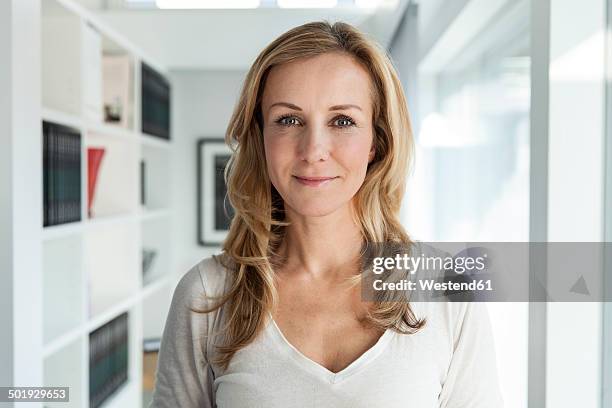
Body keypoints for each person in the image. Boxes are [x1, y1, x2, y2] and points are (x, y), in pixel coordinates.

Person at [150, 20, 503, 408]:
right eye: (288, 120)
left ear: (376, 141)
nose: (313, 149)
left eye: (342, 121)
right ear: (260, 137)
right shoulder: (207, 294)